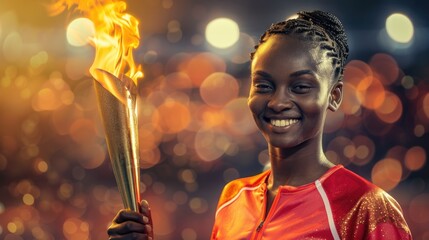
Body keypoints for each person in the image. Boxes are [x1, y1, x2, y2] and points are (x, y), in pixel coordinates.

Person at [107, 10, 412, 240]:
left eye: (300, 87)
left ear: (333, 95)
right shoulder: (233, 198)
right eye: (264, 85)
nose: (278, 101)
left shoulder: (366, 207)